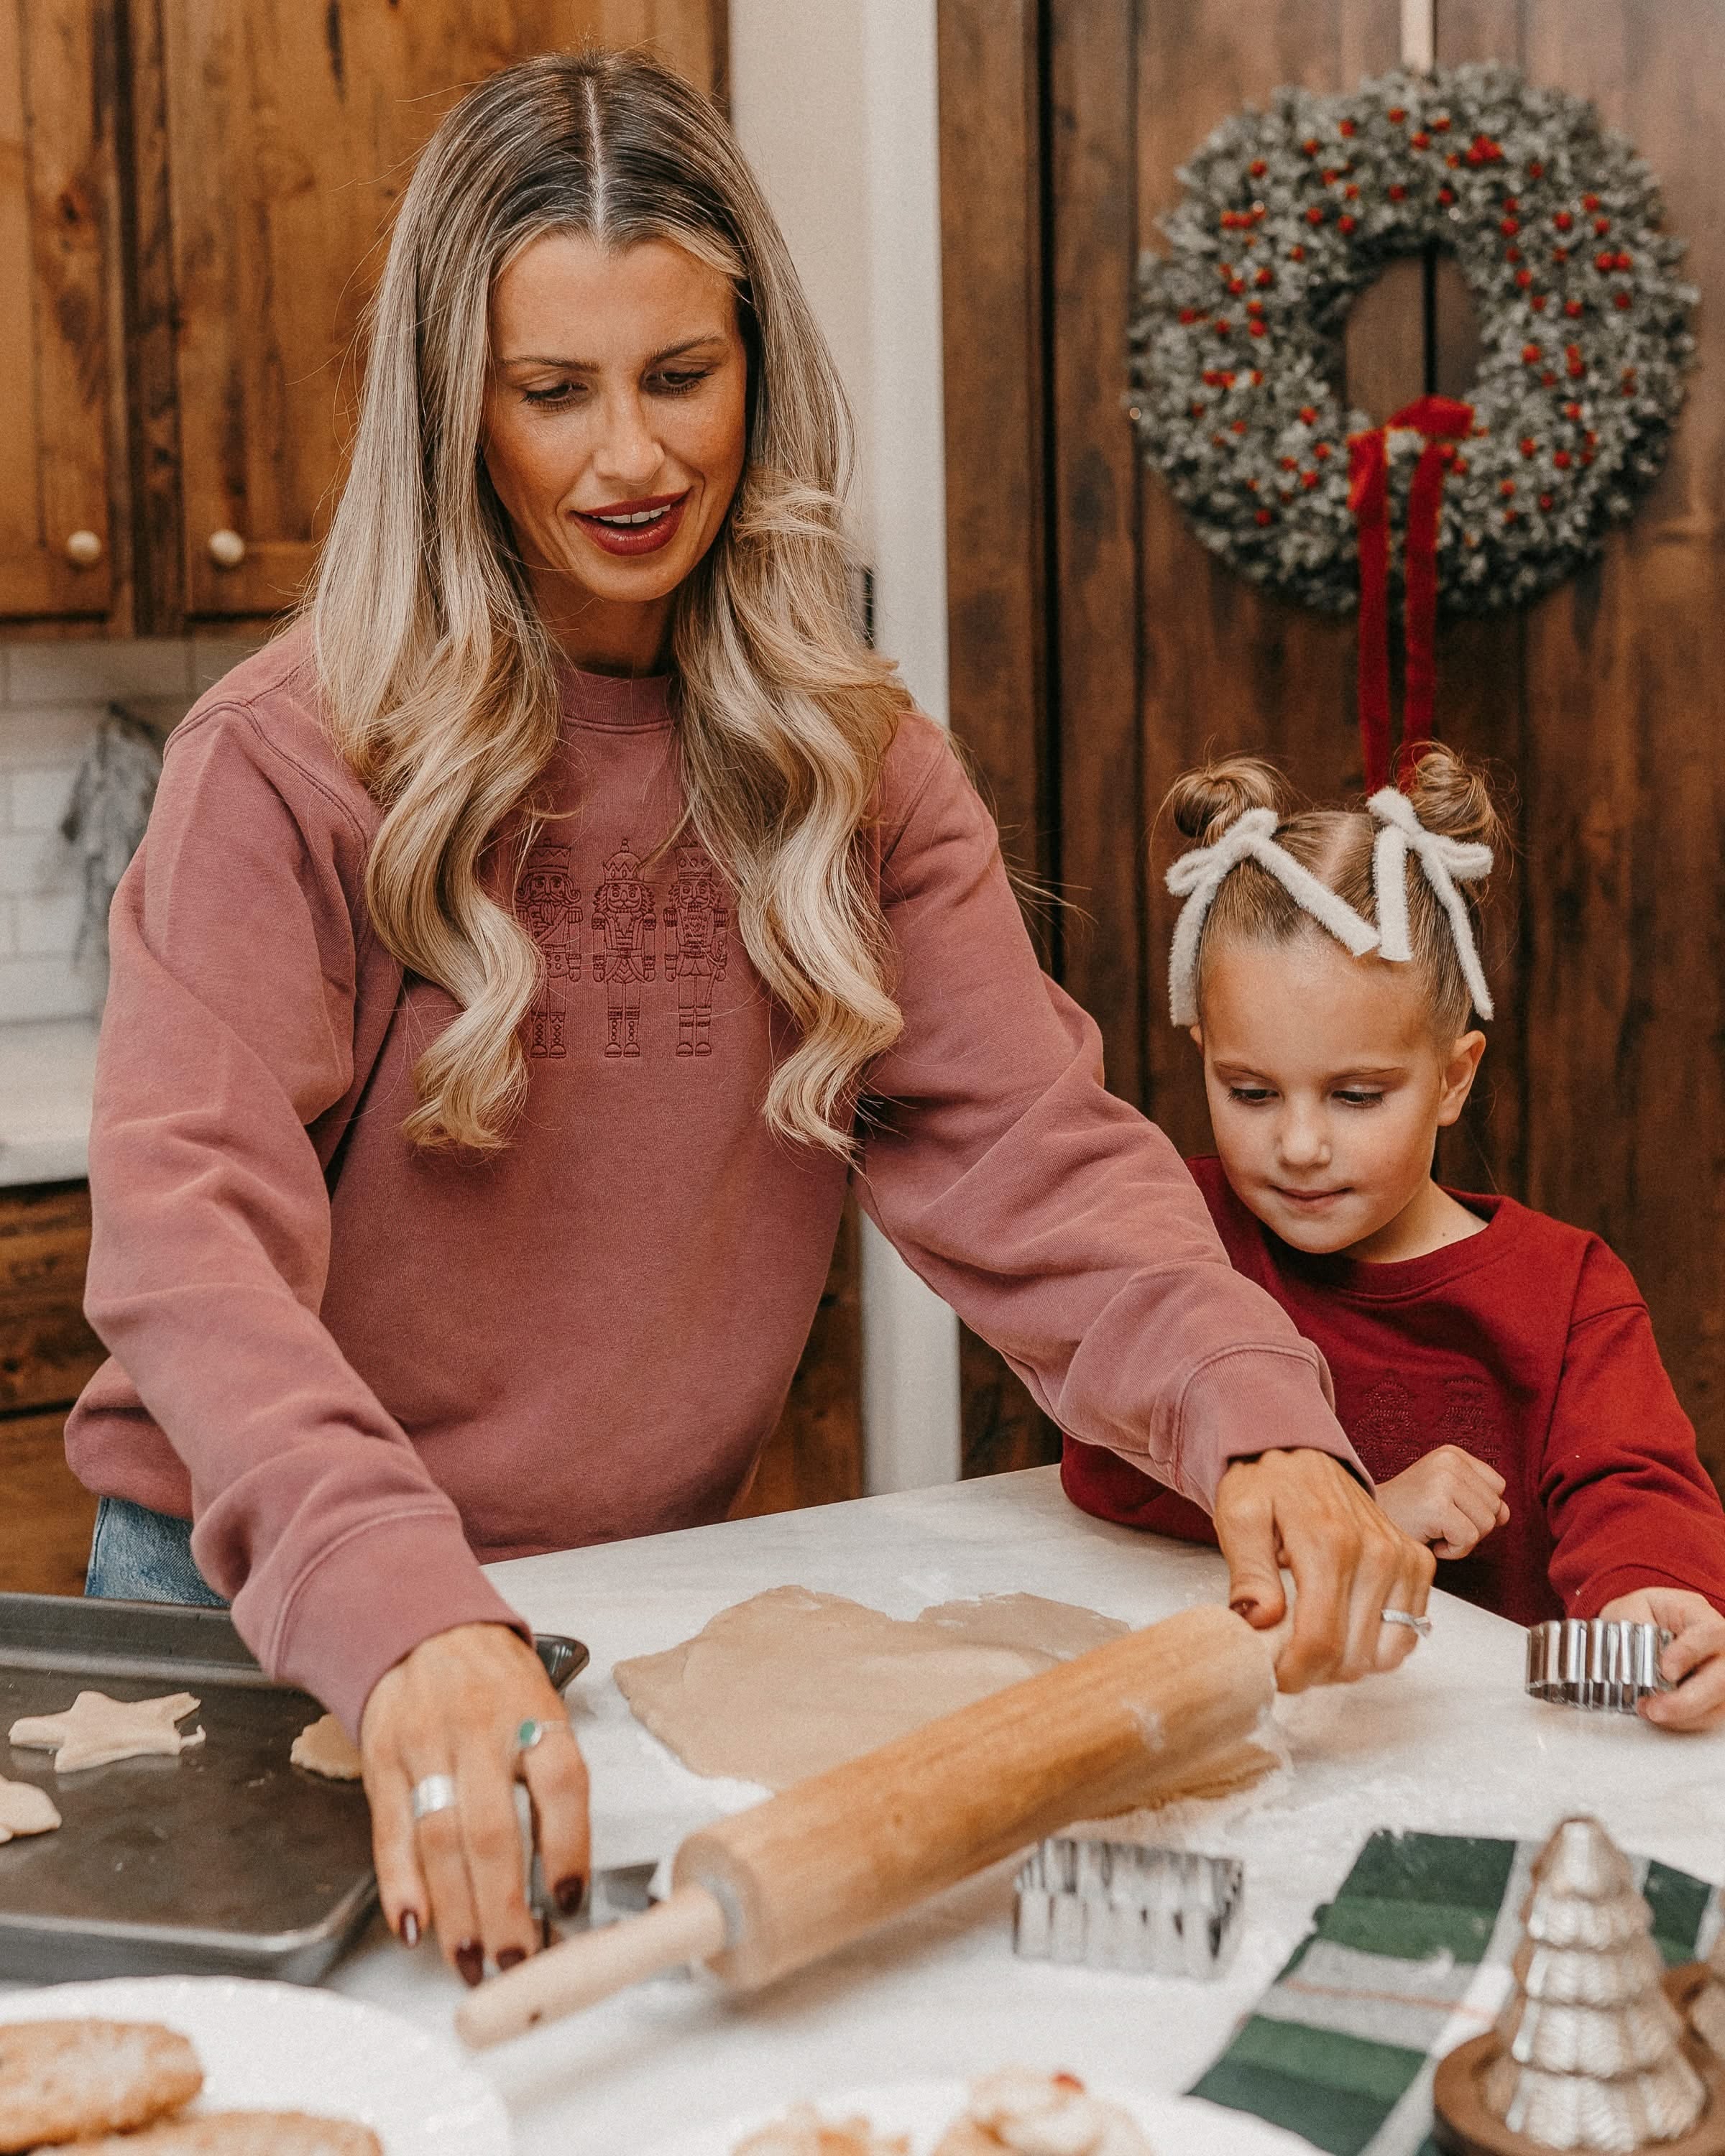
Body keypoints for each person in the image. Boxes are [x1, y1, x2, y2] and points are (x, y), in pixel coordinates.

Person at [66, 49, 1430, 1987]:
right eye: (554, 393)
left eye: (678, 378)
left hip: (631, 1602)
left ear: (757, 369)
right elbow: (189, 1253)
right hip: (272, 1602)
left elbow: (1035, 1156)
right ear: (458, 412)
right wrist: (402, 1608)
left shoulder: (848, 758)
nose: (629, 459)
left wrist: (1260, 1423)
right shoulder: (289, 762)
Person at [1063, 746, 1725, 1731]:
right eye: (1249, 1092)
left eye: (1356, 1096)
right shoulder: (1185, 1241)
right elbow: (1105, 1463)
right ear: (1200, 1052)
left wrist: (1651, 1593)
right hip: (1265, 1734)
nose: (1297, 1145)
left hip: (1494, 1757)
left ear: (1454, 1077)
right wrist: (1357, 1507)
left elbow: (1633, 1485)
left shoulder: (1568, 1291)